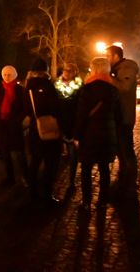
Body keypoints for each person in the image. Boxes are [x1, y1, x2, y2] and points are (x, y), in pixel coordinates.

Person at [75, 58, 121, 212]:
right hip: (107, 134)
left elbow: (81, 115)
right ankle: (102, 201)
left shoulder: (87, 89)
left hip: (89, 135)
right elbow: (118, 115)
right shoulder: (113, 89)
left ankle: (86, 201)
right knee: (104, 169)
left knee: (86, 170)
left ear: (93, 69)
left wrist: (77, 135)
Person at [24, 58, 62, 205]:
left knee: (34, 161)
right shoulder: (48, 85)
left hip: (35, 128)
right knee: (50, 163)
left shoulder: (27, 87)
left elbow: (26, 109)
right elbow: (55, 108)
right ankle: (47, 194)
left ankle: (32, 192)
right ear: (45, 71)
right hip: (49, 128)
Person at [0, 65, 28, 186]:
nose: (7, 77)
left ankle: (26, 176)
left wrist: (18, 119)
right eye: (5, 74)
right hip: (2, 126)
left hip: (15, 126)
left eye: (9, 74)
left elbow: (25, 107)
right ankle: (9, 177)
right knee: (5, 154)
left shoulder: (20, 90)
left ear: (14, 75)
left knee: (19, 153)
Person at [105, 45, 139, 189]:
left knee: (126, 148)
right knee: (121, 148)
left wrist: (106, 77)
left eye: (107, 56)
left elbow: (124, 87)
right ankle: (124, 176)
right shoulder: (117, 70)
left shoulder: (126, 68)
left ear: (115, 56)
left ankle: (129, 179)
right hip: (119, 115)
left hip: (124, 116)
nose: (106, 59)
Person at [54, 62, 83, 192]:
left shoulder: (80, 87)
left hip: (73, 123)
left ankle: (71, 181)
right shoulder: (56, 85)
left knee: (73, 154)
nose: (67, 72)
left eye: (71, 70)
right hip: (59, 122)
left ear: (75, 72)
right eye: (66, 70)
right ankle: (55, 181)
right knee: (57, 155)